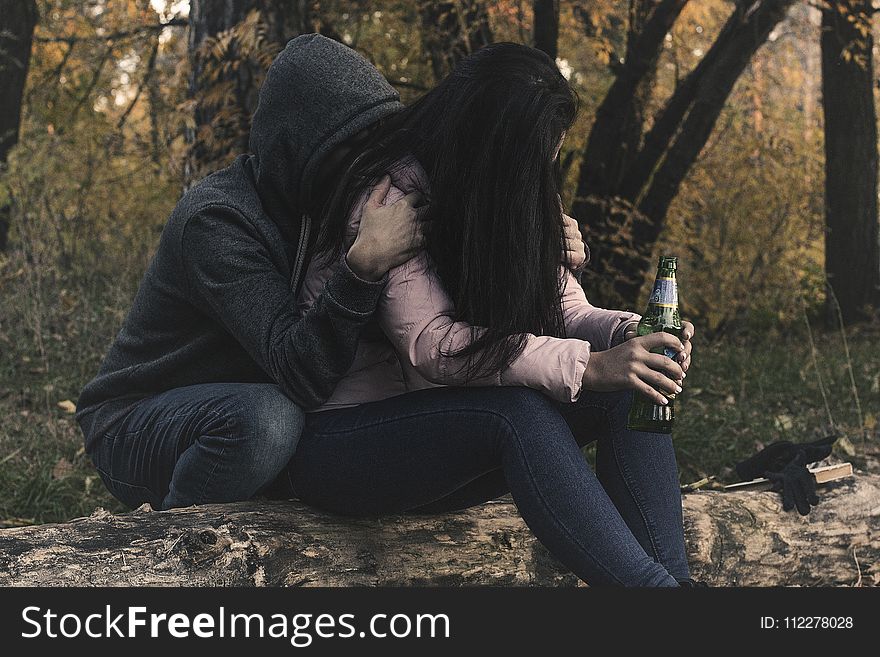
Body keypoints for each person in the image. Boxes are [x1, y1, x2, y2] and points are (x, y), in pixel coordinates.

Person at [75, 35, 586, 511]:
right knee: (266, 421)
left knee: (277, 424)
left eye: (379, 140)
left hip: (265, 416)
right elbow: (299, 374)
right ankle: (174, 555)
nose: (366, 162)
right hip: (142, 423)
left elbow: (442, 307)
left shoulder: (352, 200)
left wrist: (536, 248)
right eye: (347, 147)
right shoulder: (217, 222)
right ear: (296, 148)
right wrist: (362, 267)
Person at [272, 43, 698, 587]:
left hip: (448, 432)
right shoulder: (389, 197)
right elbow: (433, 345)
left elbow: (564, 308)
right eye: (538, 157)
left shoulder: (507, 189)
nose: (544, 172)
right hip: (343, 445)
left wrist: (628, 336)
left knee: (635, 384)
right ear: (497, 147)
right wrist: (588, 367)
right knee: (516, 415)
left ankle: (675, 586)